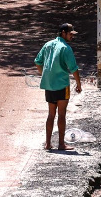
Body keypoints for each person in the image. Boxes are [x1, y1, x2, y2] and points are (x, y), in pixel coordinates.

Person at [34, 22, 82, 152]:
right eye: (70, 34)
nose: (72, 36)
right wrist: (78, 84)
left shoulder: (48, 44)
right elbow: (74, 68)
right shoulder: (66, 48)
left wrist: (45, 74)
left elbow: (37, 61)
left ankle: (48, 144)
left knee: (51, 114)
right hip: (62, 85)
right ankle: (61, 144)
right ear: (63, 33)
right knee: (61, 114)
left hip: (49, 85)